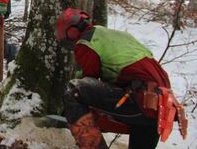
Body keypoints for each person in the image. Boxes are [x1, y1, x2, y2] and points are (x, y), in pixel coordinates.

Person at [56, 8, 187, 149]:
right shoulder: (112, 35)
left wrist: (74, 111)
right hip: (159, 106)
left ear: (71, 32)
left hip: (140, 98)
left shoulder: (86, 42)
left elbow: (88, 81)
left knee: (74, 92)